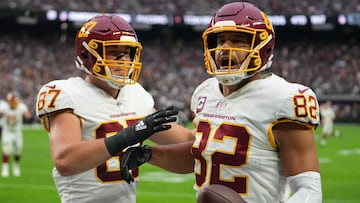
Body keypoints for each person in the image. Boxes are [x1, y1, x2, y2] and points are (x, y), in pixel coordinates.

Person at [120, 2, 322, 203]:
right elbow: (204, 155)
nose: (225, 48)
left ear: (263, 47)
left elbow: (309, 191)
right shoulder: (205, 92)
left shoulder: (284, 98)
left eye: (238, 41)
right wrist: (150, 154)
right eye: (220, 41)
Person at [35, 14, 193, 203]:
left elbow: (188, 141)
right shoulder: (67, 94)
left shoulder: (135, 94)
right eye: (113, 52)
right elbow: (65, 160)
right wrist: (128, 136)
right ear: (87, 55)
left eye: (127, 52)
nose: (124, 60)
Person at [0, 92, 32, 177]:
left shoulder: (21, 107)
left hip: (17, 132)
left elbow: (27, 115)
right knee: (6, 149)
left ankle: (16, 166)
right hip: (7, 131)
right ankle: (5, 168)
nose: (14, 104)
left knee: (18, 150)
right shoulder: (4, 108)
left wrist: (28, 116)